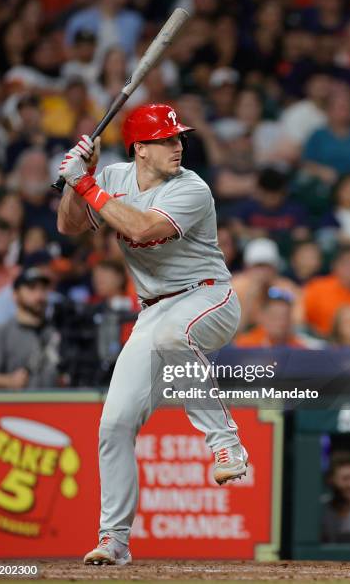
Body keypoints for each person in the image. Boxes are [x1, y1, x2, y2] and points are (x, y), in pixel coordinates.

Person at [57, 103, 247, 565]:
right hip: (153, 310)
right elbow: (69, 225)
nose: (177, 146)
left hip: (208, 297)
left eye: (177, 138)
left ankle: (226, 446)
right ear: (140, 149)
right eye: (166, 140)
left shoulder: (192, 188)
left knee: (171, 339)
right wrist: (74, 181)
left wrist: (85, 184)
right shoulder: (117, 178)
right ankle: (114, 541)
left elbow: (142, 228)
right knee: (114, 424)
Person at [0, 267, 60, 389]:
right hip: (17, 405)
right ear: (15, 295)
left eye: (43, 289)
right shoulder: (1, 333)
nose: (39, 295)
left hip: (59, 404)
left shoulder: (56, 331)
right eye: (31, 288)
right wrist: (8, 381)